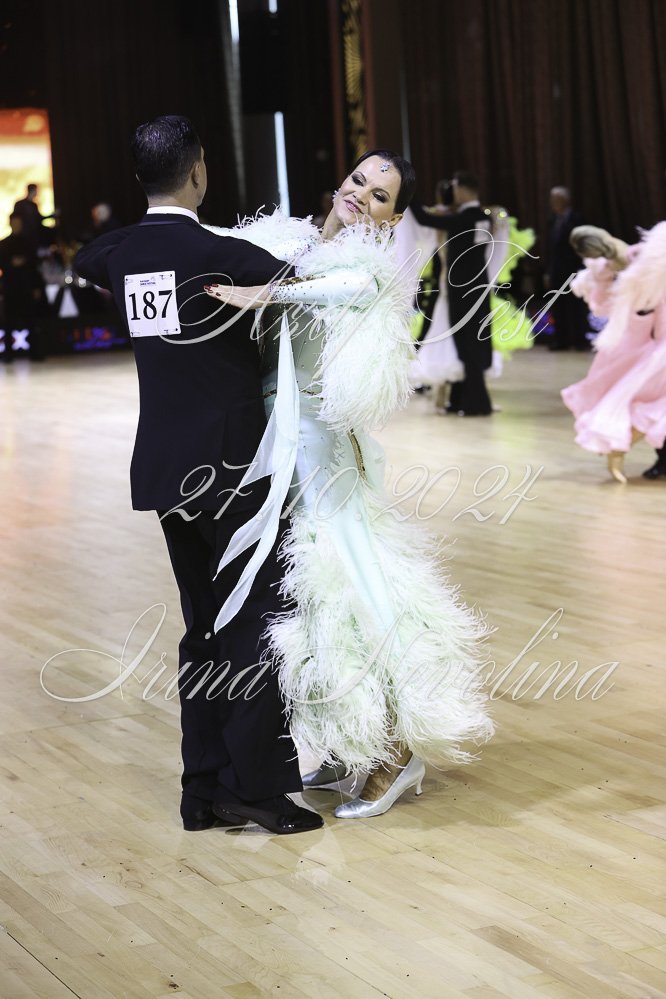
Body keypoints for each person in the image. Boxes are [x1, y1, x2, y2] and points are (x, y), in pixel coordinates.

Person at [205, 150, 494, 819]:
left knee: (356, 588)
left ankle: (397, 749)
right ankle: (351, 735)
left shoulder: (371, 266)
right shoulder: (293, 243)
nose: (362, 194)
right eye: (360, 180)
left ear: (392, 218)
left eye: (381, 194)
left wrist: (269, 294)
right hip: (282, 445)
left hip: (324, 451)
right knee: (313, 602)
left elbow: (346, 289)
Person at [74, 115, 322, 836]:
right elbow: (307, 286)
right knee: (253, 624)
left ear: (142, 178)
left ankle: (203, 788)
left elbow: (91, 257)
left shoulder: (122, 254)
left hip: (167, 468)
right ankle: (255, 790)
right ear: (198, 171)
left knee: (204, 624)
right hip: (232, 468)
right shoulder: (225, 255)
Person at [561, 223, 666, 482]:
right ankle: (619, 451)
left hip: (647, 348)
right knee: (655, 407)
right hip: (653, 351)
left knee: (653, 406)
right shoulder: (644, 266)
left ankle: (624, 452)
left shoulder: (639, 262)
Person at [409, 171, 494, 415]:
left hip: (462, 292)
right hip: (478, 290)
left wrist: (408, 195)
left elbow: (424, 219)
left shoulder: (464, 218)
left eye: (456, 188)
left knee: (467, 347)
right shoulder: (483, 217)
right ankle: (458, 400)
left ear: (463, 190)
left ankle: (478, 404)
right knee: (469, 345)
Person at [544, 186, 589, 351]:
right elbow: (549, 249)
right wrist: (547, 272)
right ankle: (561, 340)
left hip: (574, 270)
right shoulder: (552, 221)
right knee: (558, 306)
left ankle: (579, 340)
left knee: (576, 306)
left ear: (565, 200)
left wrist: (582, 269)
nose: (553, 203)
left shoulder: (577, 219)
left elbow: (583, 246)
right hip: (556, 270)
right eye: (552, 200)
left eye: (556, 199)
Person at [0, 212, 47, 362]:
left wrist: (37, 287)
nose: (17, 226)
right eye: (14, 223)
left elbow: (35, 268)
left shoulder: (29, 243)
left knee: (31, 321)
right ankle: (8, 354)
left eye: (19, 223)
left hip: (27, 287)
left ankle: (35, 353)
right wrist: (11, 264)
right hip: (10, 288)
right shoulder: (3, 244)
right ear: (10, 224)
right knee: (9, 322)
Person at [13, 183, 56, 252]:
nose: (37, 193)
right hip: (25, 236)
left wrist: (51, 216)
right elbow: (15, 219)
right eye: (36, 190)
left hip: (34, 235)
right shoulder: (20, 204)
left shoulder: (33, 205)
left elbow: (39, 219)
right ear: (32, 191)